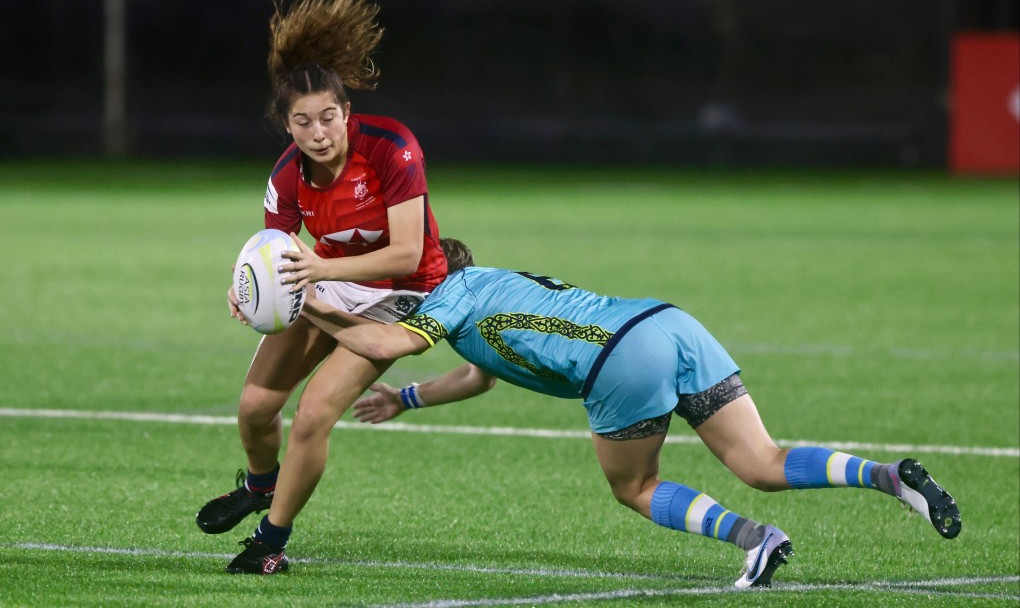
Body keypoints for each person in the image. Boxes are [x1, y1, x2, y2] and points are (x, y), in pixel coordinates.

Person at [297, 238, 961, 589]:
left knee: (633, 486)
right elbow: (479, 375)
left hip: (620, 359)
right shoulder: (491, 292)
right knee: (762, 462)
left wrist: (312, 303)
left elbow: (384, 340)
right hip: (670, 323)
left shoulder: (452, 292)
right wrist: (405, 398)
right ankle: (890, 478)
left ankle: (755, 540)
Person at [195, 0, 450, 575]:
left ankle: (270, 541)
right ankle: (262, 486)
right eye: (303, 121)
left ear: (346, 113)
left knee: (312, 415)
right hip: (328, 279)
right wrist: (247, 289)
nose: (319, 132)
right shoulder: (286, 177)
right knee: (256, 406)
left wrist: (319, 270)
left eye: (329, 117)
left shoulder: (392, 148)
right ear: (287, 125)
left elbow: (407, 250)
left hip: (405, 293)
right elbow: (272, 253)